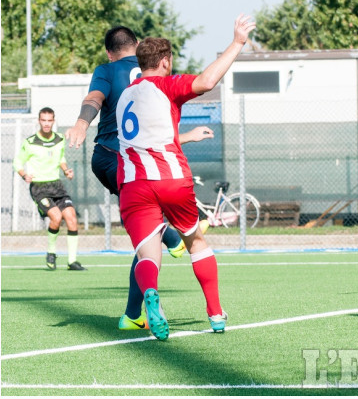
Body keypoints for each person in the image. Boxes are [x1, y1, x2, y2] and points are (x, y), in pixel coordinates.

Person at [115, 14, 256, 340]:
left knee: (148, 254)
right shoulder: (165, 84)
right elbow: (206, 82)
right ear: (165, 61)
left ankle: (151, 294)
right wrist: (236, 43)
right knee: (195, 241)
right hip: (170, 179)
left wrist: (186, 136)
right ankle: (216, 314)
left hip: (133, 185)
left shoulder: (124, 98)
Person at [65, 26, 213, 331]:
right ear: (139, 47)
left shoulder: (106, 71)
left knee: (147, 237)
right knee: (153, 236)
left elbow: (94, 98)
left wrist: (81, 123)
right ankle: (175, 239)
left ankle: (134, 313)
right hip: (132, 163)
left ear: (109, 52)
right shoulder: (155, 77)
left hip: (109, 160)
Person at [13, 107, 85, 271]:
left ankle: (72, 261)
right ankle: (51, 253)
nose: (46, 124)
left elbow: (61, 158)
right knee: (56, 217)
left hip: (57, 185)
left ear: (53, 121)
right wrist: (24, 175)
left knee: (72, 218)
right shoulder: (30, 142)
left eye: (49, 120)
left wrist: (66, 170)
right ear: (39, 121)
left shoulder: (59, 139)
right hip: (39, 187)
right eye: (43, 120)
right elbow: (17, 163)